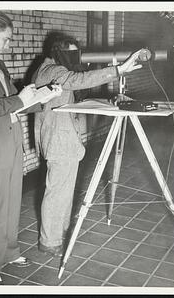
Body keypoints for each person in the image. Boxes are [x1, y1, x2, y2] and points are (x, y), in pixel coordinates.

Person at [0, 10, 61, 285]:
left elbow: (9, 99)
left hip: (10, 138)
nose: (8, 45)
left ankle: (8, 252)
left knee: (11, 202)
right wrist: (20, 99)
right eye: (5, 39)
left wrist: (41, 96)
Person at [32, 33, 143, 257]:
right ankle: (49, 241)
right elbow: (77, 80)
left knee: (64, 191)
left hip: (66, 142)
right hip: (59, 141)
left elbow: (76, 94)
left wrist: (110, 100)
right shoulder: (50, 70)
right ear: (58, 52)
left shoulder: (57, 70)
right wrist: (118, 70)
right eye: (71, 54)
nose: (75, 59)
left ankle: (59, 231)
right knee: (56, 192)